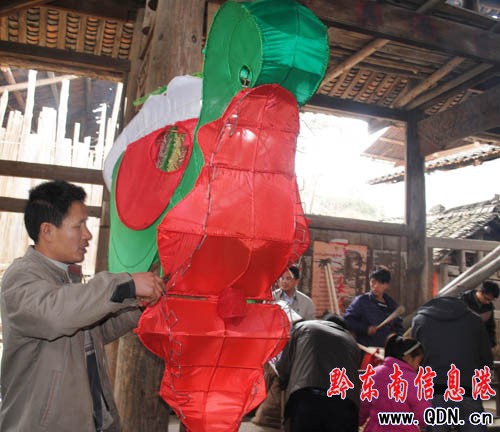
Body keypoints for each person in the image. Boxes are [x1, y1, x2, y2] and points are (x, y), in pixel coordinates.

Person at [0, 180, 166, 432]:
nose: (87, 235)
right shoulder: (21, 278)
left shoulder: (67, 277)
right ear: (47, 231)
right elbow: (56, 315)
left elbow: (95, 333)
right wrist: (126, 284)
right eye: (79, 226)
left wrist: (139, 308)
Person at [411, 296, 493, 432]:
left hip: (433, 388)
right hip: (467, 387)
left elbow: (414, 357)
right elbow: (486, 358)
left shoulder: (420, 320)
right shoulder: (474, 320)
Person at [276, 317, 361, 432]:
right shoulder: (351, 342)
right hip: (343, 405)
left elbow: (283, 366)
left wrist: (283, 383)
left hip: (308, 400)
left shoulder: (303, 328)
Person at [359, 334, 431, 431]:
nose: (418, 366)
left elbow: (364, 405)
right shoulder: (413, 380)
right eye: (419, 362)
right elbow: (423, 416)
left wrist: (360, 421)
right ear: (408, 358)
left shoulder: (374, 373)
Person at [344, 266, 403, 347]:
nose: (376, 286)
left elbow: (399, 328)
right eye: (373, 282)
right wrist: (366, 329)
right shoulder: (361, 301)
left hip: (385, 351)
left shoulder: (391, 305)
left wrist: (396, 338)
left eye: (380, 283)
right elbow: (348, 320)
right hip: (365, 349)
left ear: (386, 285)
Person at [459, 281, 500, 347]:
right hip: (461, 340)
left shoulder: (489, 307)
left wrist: (491, 343)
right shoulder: (463, 300)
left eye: (490, 300)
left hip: (478, 342)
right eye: (486, 299)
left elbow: (490, 327)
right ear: (480, 292)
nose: (488, 302)